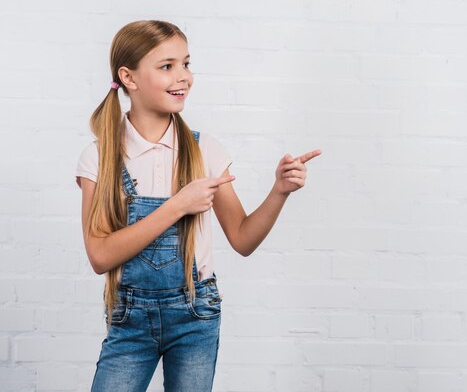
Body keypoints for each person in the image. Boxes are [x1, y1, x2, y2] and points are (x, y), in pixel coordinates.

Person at [75, 19, 321, 392]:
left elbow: (242, 239)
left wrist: (279, 191)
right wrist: (177, 205)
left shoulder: (204, 150)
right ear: (129, 77)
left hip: (195, 316)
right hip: (130, 319)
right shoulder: (100, 157)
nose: (184, 77)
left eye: (186, 64)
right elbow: (99, 256)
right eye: (167, 66)